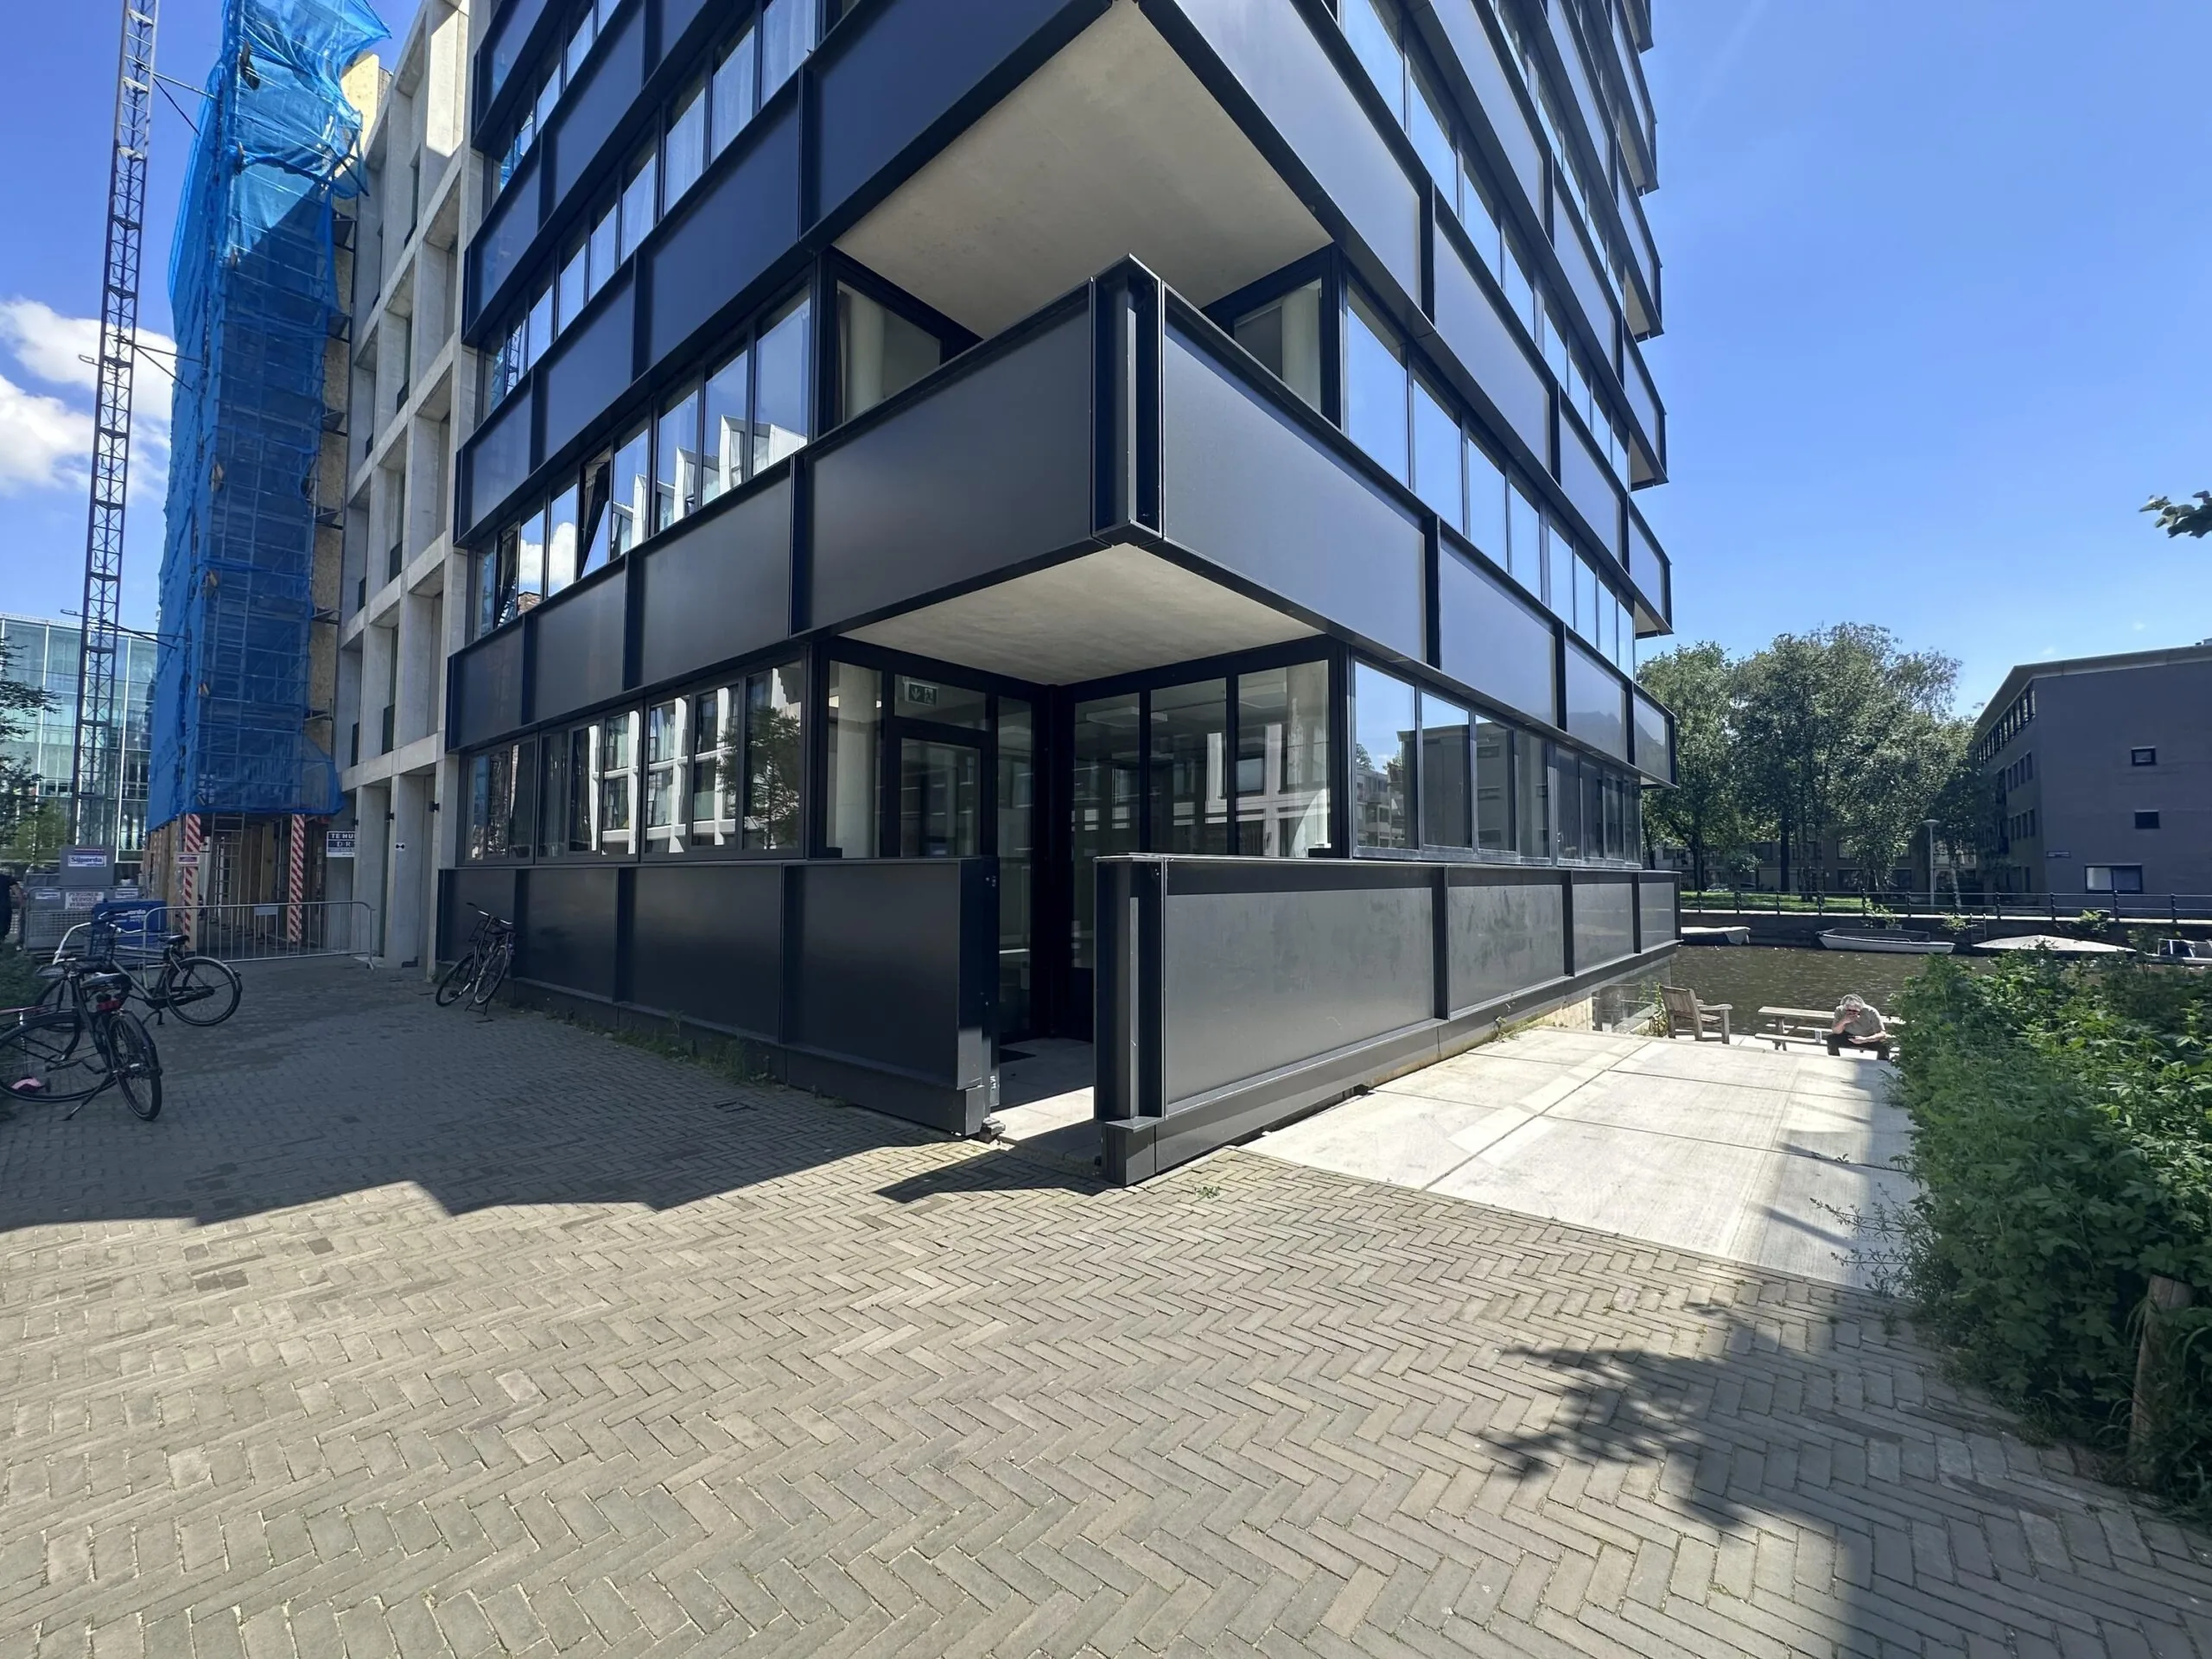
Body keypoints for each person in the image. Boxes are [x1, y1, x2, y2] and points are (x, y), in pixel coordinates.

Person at [1828, 995, 1891, 1061]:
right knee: (1832, 1038)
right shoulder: (1840, 1010)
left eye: (1855, 1011)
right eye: (1848, 1010)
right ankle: (1834, 1060)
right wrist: (1843, 1021)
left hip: (1868, 1037)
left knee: (1884, 1044)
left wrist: (1865, 1039)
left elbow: (1882, 1034)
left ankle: (1883, 1064)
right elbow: (1836, 1031)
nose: (1851, 1013)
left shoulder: (1871, 1011)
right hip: (1849, 1036)